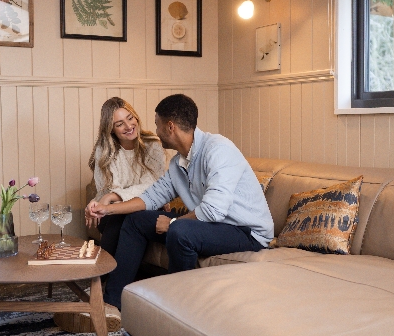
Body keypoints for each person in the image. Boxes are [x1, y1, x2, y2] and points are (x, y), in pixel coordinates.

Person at [88, 94, 274, 310]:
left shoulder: (219, 150)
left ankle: (176, 308)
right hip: (212, 224)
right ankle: (113, 303)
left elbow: (213, 209)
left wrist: (173, 223)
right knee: (136, 220)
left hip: (246, 232)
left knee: (181, 231)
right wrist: (107, 209)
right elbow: (151, 197)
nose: (155, 132)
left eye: (157, 125)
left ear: (170, 127)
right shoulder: (178, 163)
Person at [85, 97, 167, 257]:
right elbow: (108, 188)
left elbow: (151, 186)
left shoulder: (153, 145)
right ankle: (102, 277)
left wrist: (111, 196)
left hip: (143, 208)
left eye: (130, 118)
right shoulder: (104, 150)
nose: (129, 126)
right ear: (110, 129)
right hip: (110, 214)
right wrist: (104, 199)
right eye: (119, 124)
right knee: (119, 218)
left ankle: (99, 278)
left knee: (129, 217)